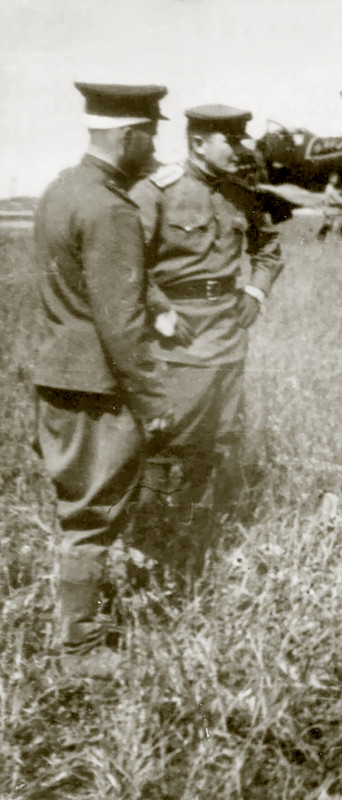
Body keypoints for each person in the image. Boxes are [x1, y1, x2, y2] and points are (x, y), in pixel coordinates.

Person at [32, 82, 171, 673]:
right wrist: (152, 395)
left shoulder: (62, 190)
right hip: (99, 385)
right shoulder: (112, 208)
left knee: (79, 508)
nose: (156, 151)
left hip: (62, 373)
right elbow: (121, 320)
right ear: (129, 136)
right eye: (151, 137)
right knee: (92, 514)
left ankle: (79, 625)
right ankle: (81, 649)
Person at [130, 104, 285, 547]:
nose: (241, 150)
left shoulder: (240, 194)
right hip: (177, 337)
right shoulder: (155, 191)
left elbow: (269, 249)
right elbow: (127, 262)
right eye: (231, 142)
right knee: (169, 439)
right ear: (198, 143)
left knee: (222, 436)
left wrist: (255, 292)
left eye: (242, 141)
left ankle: (203, 534)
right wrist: (159, 308)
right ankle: (149, 538)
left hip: (229, 331)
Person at [317, 171, 342, 240]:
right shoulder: (330, 188)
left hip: (331, 208)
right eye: (335, 178)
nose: (337, 180)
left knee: (331, 222)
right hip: (330, 209)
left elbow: (337, 194)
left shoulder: (331, 188)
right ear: (331, 179)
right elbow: (336, 199)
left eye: (337, 178)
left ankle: (321, 237)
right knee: (331, 223)